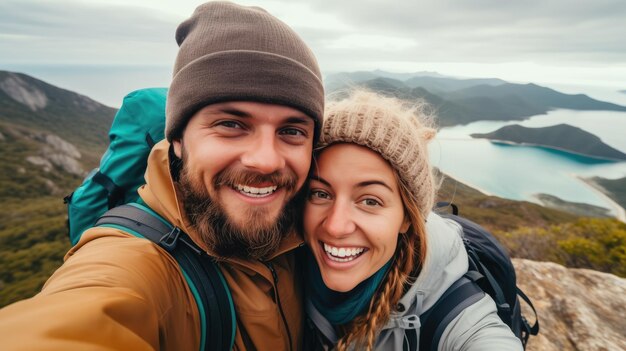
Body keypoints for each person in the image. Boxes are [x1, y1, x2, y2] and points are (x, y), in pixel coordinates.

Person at [0, 2, 323, 350]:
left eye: (292, 130)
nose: (265, 160)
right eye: (231, 124)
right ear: (179, 140)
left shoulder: (313, 226)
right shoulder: (134, 264)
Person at [302, 90, 522, 350]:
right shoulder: (285, 261)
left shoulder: (451, 306)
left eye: (370, 201)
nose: (336, 226)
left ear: (407, 218)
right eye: (320, 193)